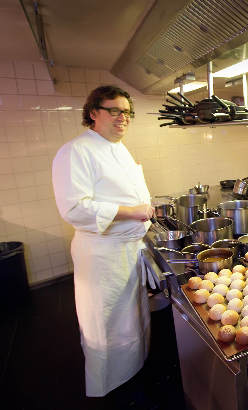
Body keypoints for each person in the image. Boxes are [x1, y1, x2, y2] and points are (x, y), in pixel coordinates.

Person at [52, 85, 154, 398]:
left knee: (131, 317)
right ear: (93, 113)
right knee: (106, 321)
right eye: (115, 110)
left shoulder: (117, 147)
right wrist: (133, 211)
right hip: (103, 256)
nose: (122, 118)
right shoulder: (77, 150)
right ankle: (108, 386)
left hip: (127, 250)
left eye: (127, 112)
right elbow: (74, 208)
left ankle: (134, 370)